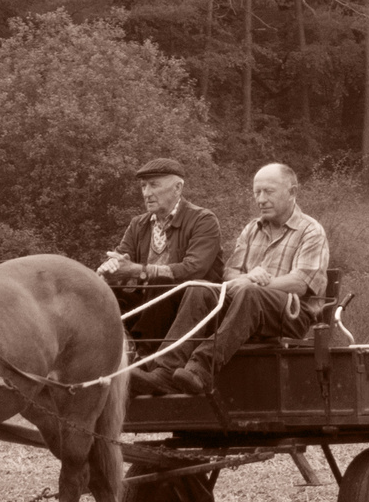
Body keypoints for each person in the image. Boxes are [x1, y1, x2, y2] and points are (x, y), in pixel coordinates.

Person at [140, 162, 329, 396]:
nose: (261, 199)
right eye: (256, 192)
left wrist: (257, 283)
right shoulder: (252, 229)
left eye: (268, 191)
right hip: (246, 307)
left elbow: (300, 283)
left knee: (251, 293)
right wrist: (247, 277)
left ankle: (201, 368)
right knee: (201, 289)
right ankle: (166, 371)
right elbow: (229, 273)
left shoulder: (311, 230)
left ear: (292, 192)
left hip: (292, 314)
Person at [98, 158, 224, 358]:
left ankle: (144, 356)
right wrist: (110, 267)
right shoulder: (138, 224)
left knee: (159, 280)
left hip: (190, 305)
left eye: (154, 185)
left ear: (177, 188)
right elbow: (122, 257)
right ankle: (103, 357)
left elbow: (194, 269)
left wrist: (137, 271)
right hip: (149, 305)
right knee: (101, 291)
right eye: (143, 186)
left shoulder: (203, 219)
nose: (147, 193)